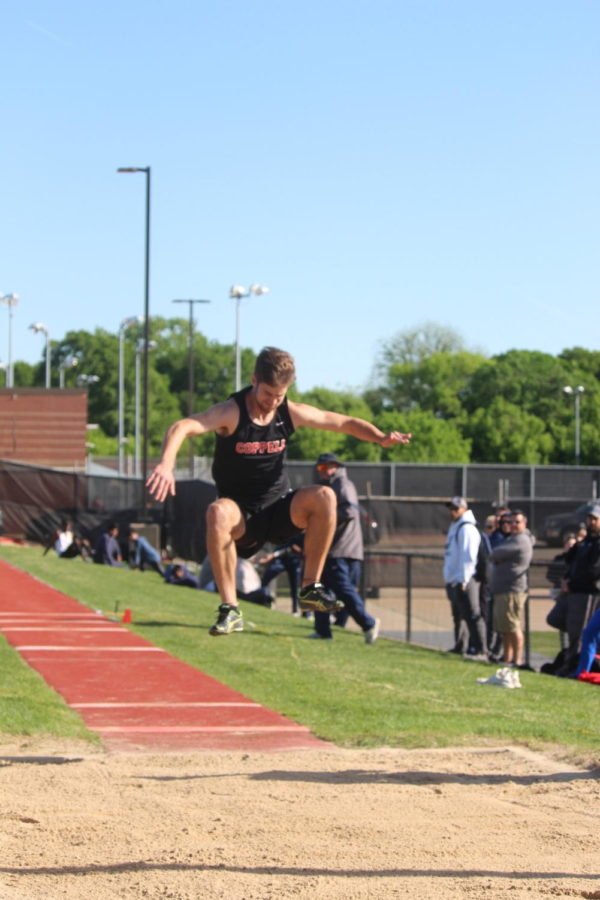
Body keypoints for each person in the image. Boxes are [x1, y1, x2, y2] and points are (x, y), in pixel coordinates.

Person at [146, 346, 411, 636]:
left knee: (325, 496)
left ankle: (310, 587)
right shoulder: (231, 413)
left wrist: (380, 437)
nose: (272, 402)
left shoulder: (289, 413)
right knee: (216, 511)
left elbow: (342, 422)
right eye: (267, 394)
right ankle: (230, 609)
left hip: (279, 508)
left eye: (279, 396)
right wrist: (165, 464)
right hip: (242, 515)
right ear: (254, 380)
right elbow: (182, 426)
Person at [309, 452, 380, 644]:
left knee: (343, 589)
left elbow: (348, 511)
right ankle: (322, 630)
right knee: (320, 587)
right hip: (337, 549)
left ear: (335, 466)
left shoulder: (342, 484)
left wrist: (323, 519)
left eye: (325, 467)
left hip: (341, 549)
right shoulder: (332, 485)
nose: (322, 472)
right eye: (319, 468)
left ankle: (368, 623)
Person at [546, 505, 600, 676]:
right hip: (573, 591)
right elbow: (570, 561)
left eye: (595, 519)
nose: (591, 522)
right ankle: (579, 668)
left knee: (583, 633)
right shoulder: (586, 541)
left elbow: (594, 570)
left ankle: (576, 668)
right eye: (589, 518)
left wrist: (573, 584)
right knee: (562, 622)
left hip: (586, 593)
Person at [443, 497, 488, 660]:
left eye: (456, 508)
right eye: (451, 508)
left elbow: (468, 557)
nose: (452, 512)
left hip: (465, 580)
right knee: (459, 615)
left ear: (464, 509)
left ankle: (481, 649)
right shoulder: (455, 526)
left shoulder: (467, 528)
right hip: (455, 579)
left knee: (472, 614)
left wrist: (464, 579)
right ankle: (461, 645)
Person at [489, 510, 534, 668]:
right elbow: (496, 556)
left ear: (524, 523)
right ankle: (507, 659)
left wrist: (499, 560)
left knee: (513, 626)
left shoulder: (520, 540)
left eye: (517, 522)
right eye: (510, 522)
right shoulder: (512, 539)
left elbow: (494, 553)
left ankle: (518, 660)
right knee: (505, 627)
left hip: (512, 590)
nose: (513, 525)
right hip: (503, 589)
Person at [258, 536, 304, 615]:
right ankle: (262, 599)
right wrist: (273, 555)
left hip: (295, 561)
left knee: (295, 588)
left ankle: (296, 610)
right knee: (266, 577)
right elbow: (286, 546)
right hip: (281, 559)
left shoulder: (304, 534)